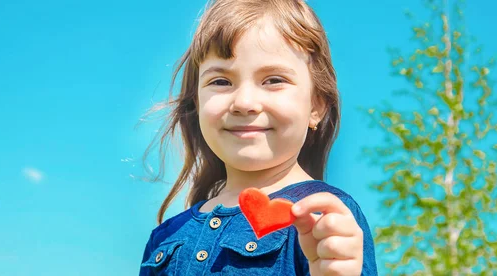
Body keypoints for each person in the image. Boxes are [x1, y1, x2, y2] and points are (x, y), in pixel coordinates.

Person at [139, 0, 378, 275]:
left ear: (316, 106)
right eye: (221, 81)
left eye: (273, 80)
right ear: (197, 104)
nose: (244, 102)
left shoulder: (324, 217)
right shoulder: (165, 238)